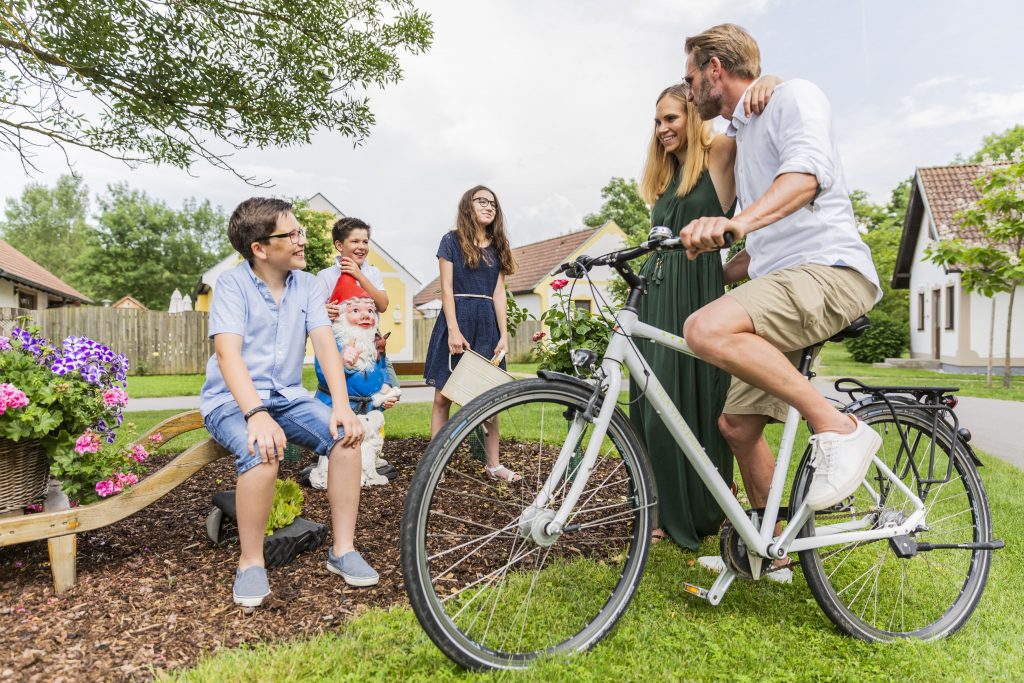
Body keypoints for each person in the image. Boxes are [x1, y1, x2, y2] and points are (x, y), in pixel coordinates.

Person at [678, 25, 883, 547]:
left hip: (830, 271)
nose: (688, 90)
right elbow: (764, 245)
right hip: (783, 278)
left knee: (706, 329)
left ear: (714, 69)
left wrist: (737, 222)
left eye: (690, 78)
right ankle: (772, 550)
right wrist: (707, 265)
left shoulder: (794, 96)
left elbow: (805, 179)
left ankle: (838, 427)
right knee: (738, 427)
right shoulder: (745, 134)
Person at [200, 197, 378, 608]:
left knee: (347, 438)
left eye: (301, 231)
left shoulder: (308, 285)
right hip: (232, 400)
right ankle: (250, 562)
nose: (302, 240)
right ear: (260, 248)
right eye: (292, 234)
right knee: (263, 451)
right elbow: (228, 355)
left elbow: (325, 345)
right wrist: (256, 414)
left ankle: (343, 550)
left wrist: (341, 405)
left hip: (287, 395)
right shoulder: (232, 285)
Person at [629, 77, 778, 550]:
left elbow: (759, 130)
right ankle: (655, 508)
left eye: (671, 118)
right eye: (657, 122)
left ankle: (698, 511)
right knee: (647, 406)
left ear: (693, 115)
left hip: (693, 295)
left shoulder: (721, 154)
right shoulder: (666, 175)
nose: (662, 129)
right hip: (654, 294)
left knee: (686, 403)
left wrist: (769, 81)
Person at [422, 185, 519, 482]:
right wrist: (453, 329)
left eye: (493, 203)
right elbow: (446, 288)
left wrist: (504, 335)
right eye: (482, 201)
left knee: (490, 398)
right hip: (458, 319)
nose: (489, 207)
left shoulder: (498, 245)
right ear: (468, 205)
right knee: (443, 398)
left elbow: (499, 293)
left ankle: (494, 465)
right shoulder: (451, 241)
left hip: (487, 324)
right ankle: (434, 465)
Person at [315, 217, 399, 395]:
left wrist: (359, 275)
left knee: (388, 390)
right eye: (355, 241)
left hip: (371, 345)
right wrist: (324, 311)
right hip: (341, 345)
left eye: (365, 242)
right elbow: (315, 313)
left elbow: (382, 305)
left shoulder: (373, 273)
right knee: (345, 391)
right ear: (339, 245)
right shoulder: (326, 276)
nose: (361, 246)